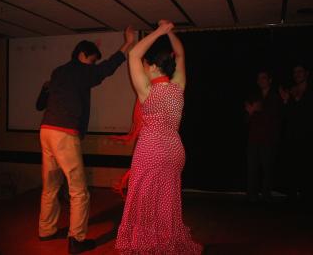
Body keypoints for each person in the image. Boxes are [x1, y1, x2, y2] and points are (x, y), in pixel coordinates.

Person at [36, 26, 135, 254]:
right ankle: (77, 240)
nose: (92, 64)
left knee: (50, 186)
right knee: (79, 191)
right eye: (91, 60)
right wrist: (128, 43)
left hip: (46, 131)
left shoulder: (58, 71)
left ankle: (46, 230)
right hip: (63, 133)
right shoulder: (82, 71)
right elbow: (107, 68)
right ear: (82, 55)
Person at [115, 20, 202, 254]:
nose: (142, 68)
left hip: (152, 148)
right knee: (167, 198)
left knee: (143, 198)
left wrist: (160, 31)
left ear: (154, 67)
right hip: (174, 148)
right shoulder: (178, 86)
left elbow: (134, 54)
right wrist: (171, 33)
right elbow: (181, 55)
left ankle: (148, 242)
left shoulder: (147, 90)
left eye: (145, 66)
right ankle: (166, 238)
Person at [244, 70, 282, 202]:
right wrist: (250, 112)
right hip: (254, 137)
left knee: (267, 169)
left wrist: (257, 109)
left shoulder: (275, 96)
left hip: (268, 138)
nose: (261, 80)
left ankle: (266, 196)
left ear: (269, 80)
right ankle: (251, 195)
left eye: (264, 78)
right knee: (252, 168)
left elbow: (276, 116)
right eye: (259, 78)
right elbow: (246, 118)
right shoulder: (254, 96)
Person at [279, 63, 313, 202]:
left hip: (308, 136)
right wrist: (287, 100)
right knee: (292, 167)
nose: (297, 74)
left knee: (307, 167)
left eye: (300, 71)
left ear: (307, 73)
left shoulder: (309, 92)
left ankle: (307, 196)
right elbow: (287, 116)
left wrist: (297, 99)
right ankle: (292, 196)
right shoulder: (291, 92)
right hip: (293, 136)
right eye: (295, 72)